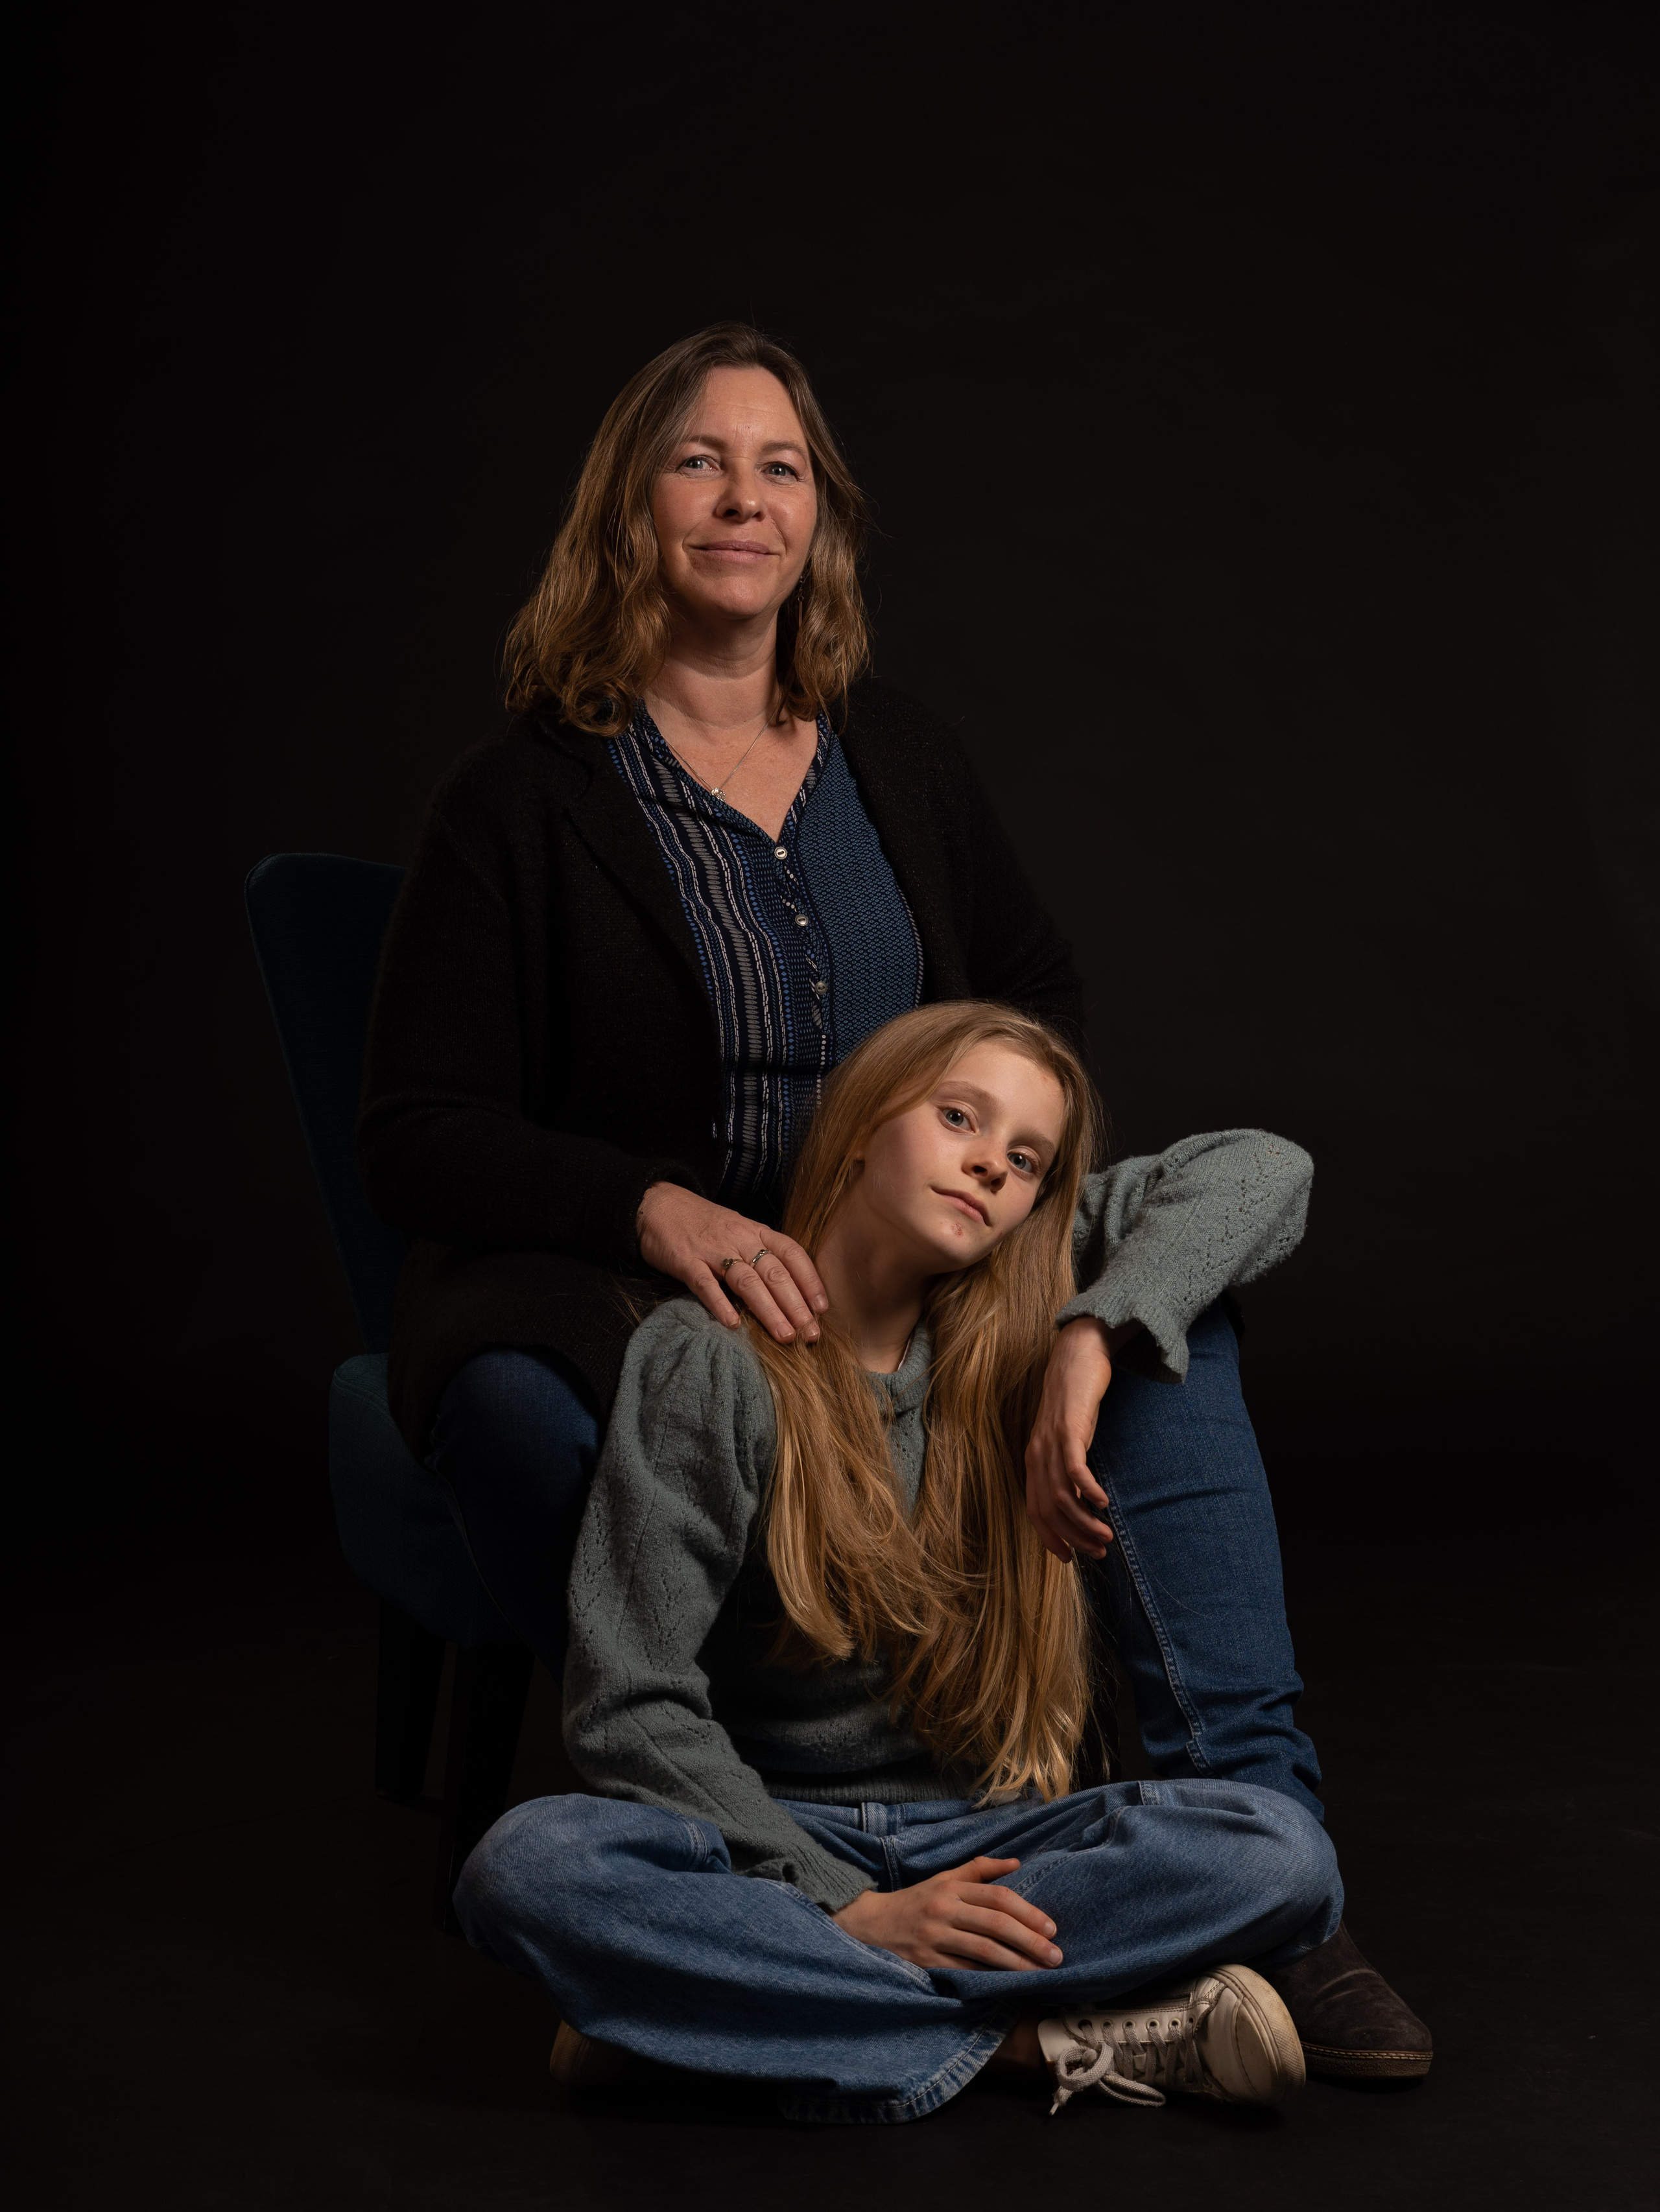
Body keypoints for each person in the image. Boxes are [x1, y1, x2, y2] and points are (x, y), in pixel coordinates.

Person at [359, 322, 1428, 2076]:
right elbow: (416, 1127)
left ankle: (1258, 1883)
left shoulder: (901, 758)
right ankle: (1035, 2010)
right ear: (631, 509)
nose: (744, 497)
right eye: (701, 460)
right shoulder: (522, 803)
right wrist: (661, 1211)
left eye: (782, 467)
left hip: (920, 1239)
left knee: (1177, 1308)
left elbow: (1039, 1014)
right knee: (538, 1827)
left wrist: (1076, 1313)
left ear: (822, 522)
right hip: (658, 1287)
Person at [455, 1005, 1346, 2121]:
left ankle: (711, 2015)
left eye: (1024, 1160)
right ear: (864, 1127)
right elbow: (627, 1704)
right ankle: (1033, 2046)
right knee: (529, 1865)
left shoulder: (1022, 1312)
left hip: (1000, 1842)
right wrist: (842, 1904)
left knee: (1278, 1850)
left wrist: (1092, 1334)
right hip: (778, 1832)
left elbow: (1265, 1169)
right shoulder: (710, 1360)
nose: (989, 1164)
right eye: (960, 1117)